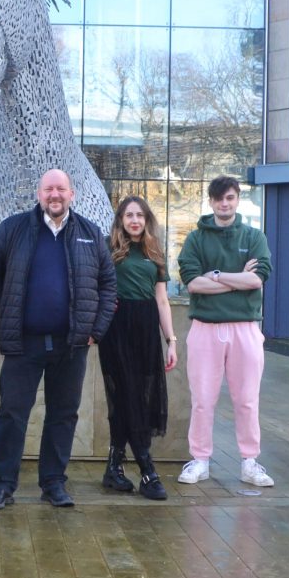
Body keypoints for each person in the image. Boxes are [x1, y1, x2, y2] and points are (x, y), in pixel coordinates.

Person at [0, 169, 117, 509]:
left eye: (61, 189)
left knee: (64, 414)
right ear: (39, 194)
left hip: (72, 344)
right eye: (48, 189)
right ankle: (2, 486)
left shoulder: (90, 233)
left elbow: (108, 285)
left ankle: (53, 483)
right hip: (24, 343)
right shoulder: (14, 228)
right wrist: (11, 307)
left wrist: (94, 330)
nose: (55, 195)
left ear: (72, 194)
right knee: (12, 413)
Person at [177, 175, 275, 489]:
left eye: (230, 197)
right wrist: (235, 279)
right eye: (219, 198)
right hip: (205, 327)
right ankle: (201, 460)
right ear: (211, 201)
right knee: (203, 399)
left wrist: (215, 276)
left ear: (236, 200)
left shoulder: (254, 236)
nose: (224, 203)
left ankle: (249, 461)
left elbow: (257, 280)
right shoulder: (195, 239)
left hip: (245, 328)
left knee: (247, 400)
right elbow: (193, 283)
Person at [100, 196, 178, 501]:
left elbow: (161, 300)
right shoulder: (108, 248)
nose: (134, 220)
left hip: (146, 329)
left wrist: (171, 341)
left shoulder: (154, 251)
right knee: (130, 395)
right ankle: (147, 471)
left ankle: (113, 469)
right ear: (121, 219)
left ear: (146, 220)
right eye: (129, 215)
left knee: (136, 396)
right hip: (117, 328)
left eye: (140, 215)